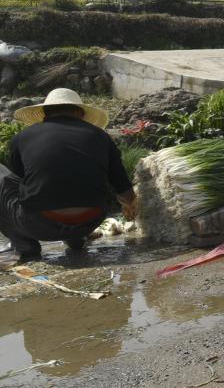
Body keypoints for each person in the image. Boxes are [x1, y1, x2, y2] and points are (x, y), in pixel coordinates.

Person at [0, 88, 135, 261]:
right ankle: (75, 240)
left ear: (45, 114)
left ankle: (26, 246)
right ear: (80, 113)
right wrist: (130, 206)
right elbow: (124, 189)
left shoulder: (22, 137)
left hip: (38, 225)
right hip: (90, 222)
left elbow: (18, 185)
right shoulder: (101, 136)